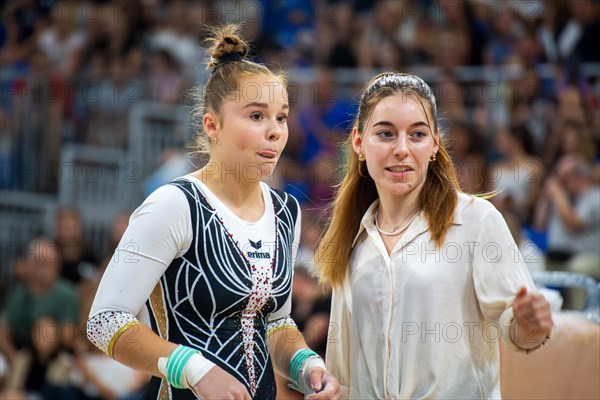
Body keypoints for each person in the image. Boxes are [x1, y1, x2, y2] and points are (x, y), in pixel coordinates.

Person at [86, 24, 340, 400]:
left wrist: (306, 365)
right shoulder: (174, 204)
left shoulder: (286, 210)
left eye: (282, 117)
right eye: (256, 116)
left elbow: (275, 322)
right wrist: (194, 370)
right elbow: (105, 322)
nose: (274, 131)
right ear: (212, 125)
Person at [316, 72, 553, 399]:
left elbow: (519, 332)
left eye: (417, 134)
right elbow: (342, 372)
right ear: (358, 143)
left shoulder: (476, 221)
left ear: (434, 144)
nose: (402, 149)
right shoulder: (351, 239)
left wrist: (532, 325)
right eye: (385, 133)